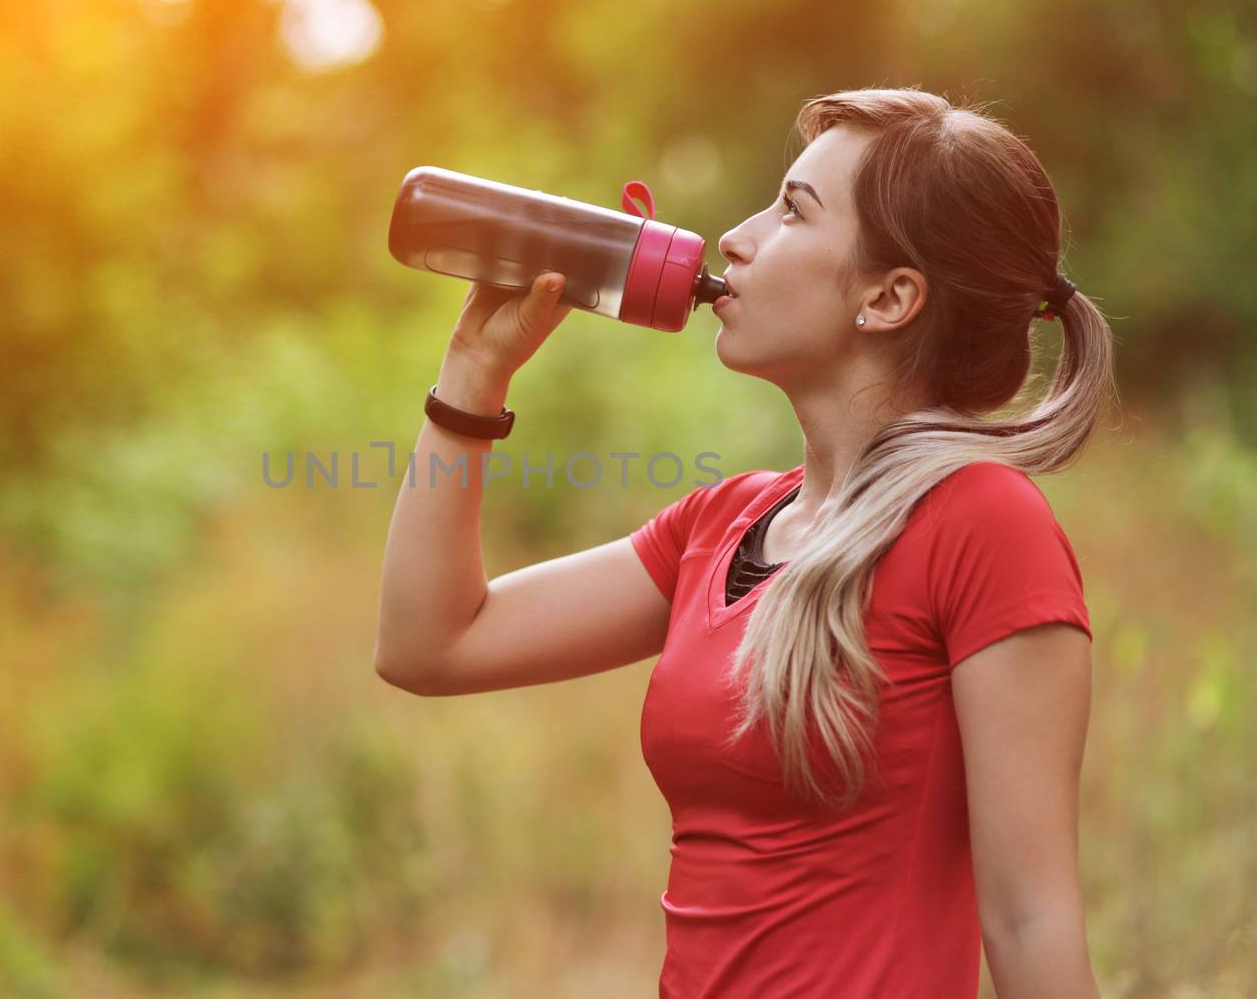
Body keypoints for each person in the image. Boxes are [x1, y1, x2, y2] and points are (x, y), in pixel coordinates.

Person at [374, 87, 1115, 999]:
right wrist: (472, 375)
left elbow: (1030, 917)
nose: (735, 235)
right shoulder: (721, 524)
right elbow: (429, 643)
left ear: (888, 297)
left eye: (793, 210)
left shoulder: (981, 523)